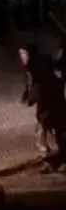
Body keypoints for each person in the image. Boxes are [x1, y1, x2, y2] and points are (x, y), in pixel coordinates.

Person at [21, 43, 66, 171]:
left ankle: (51, 160)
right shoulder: (55, 80)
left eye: (24, 55)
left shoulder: (41, 80)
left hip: (48, 111)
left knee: (44, 134)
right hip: (54, 110)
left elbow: (35, 91)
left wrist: (30, 97)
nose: (22, 58)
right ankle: (54, 161)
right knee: (56, 134)